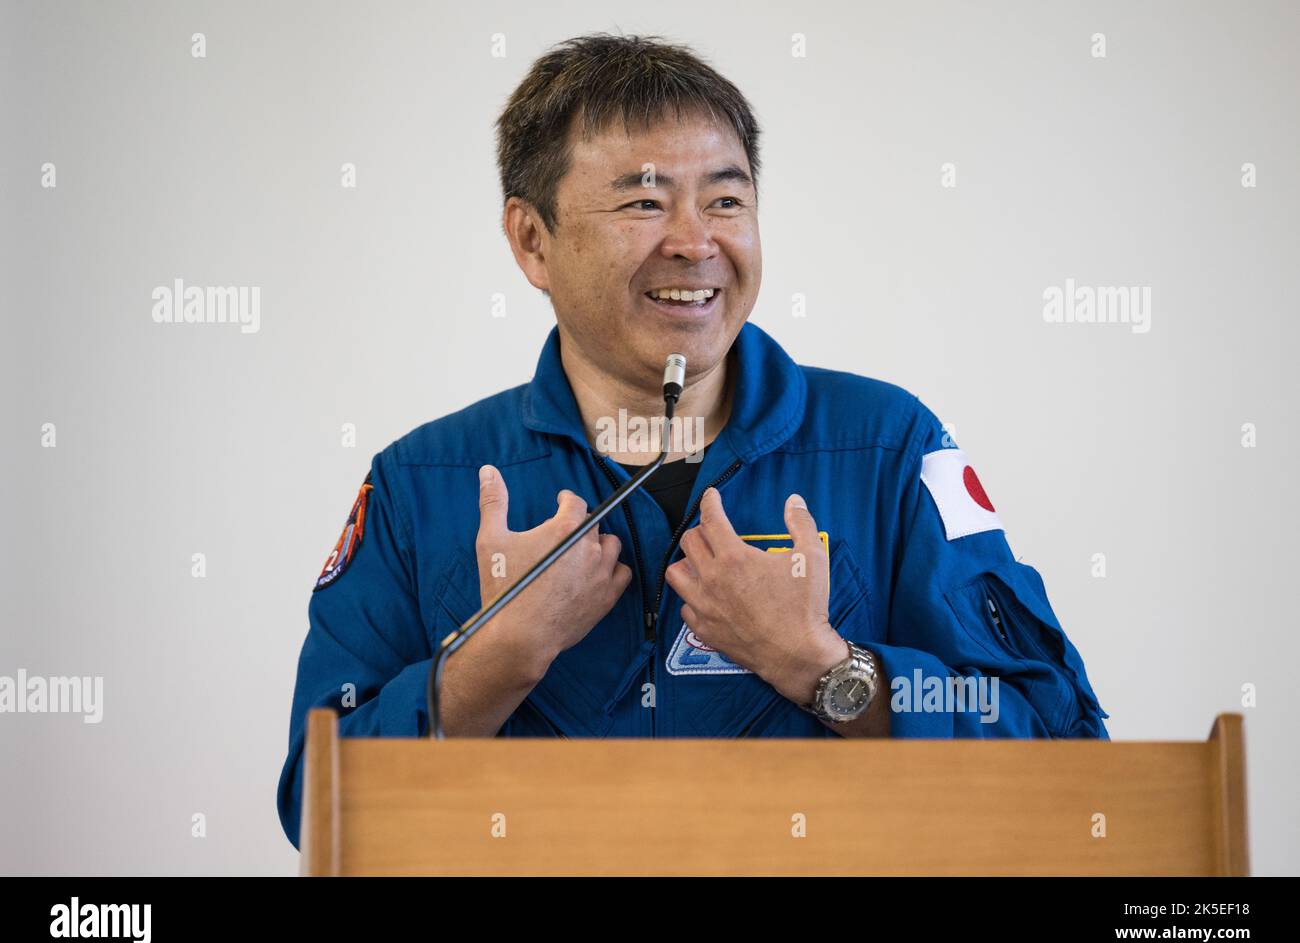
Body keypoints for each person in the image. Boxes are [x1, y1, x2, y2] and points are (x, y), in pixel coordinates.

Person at [277, 33, 1108, 850]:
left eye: (726, 199)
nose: (696, 241)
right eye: (644, 202)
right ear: (532, 240)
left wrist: (828, 668)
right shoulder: (423, 482)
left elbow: (1061, 757)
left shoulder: (889, 447)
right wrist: (496, 660)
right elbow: (319, 810)